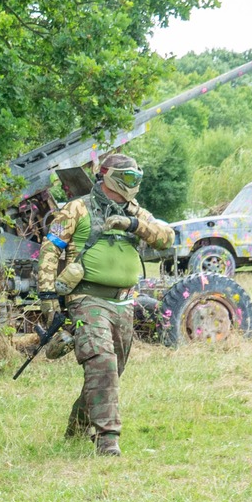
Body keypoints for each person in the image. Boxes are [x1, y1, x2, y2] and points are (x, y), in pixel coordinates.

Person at [33, 151, 174, 457]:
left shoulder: (137, 212)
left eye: (135, 178)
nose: (131, 183)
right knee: (102, 363)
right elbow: (50, 249)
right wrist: (47, 296)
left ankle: (77, 426)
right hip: (86, 298)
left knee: (112, 370)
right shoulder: (77, 209)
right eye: (126, 177)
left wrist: (133, 225)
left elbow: (167, 238)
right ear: (107, 175)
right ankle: (107, 439)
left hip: (123, 302)